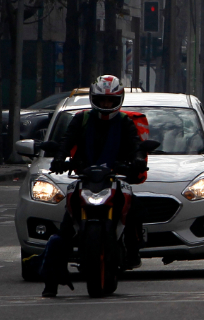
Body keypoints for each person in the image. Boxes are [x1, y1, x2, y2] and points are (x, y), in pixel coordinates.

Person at [40, 75, 147, 297]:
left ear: (118, 99)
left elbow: (136, 144)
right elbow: (66, 141)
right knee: (65, 229)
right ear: (93, 99)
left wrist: (137, 159)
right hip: (85, 177)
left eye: (110, 100)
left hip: (114, 177)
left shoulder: (125, 122)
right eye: (102, 100)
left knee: (134, 206)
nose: (106, 105)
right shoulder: (81, 119)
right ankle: (51, 281)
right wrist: (59, 158)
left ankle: (133, 250)